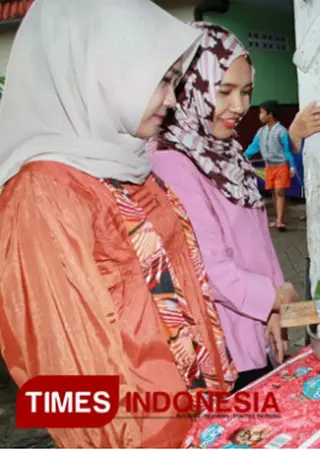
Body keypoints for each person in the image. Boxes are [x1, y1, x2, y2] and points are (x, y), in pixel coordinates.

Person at [0, 0, 238, 447]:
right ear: (99, 71)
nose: (171, 98)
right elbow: (66, 371)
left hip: (198, 417)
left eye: (174, 81)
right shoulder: (42, 194)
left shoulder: (127, 164)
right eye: (162, 80)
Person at [148, 23, 320, 391]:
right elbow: (208, 268)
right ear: (188, 86)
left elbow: (259, 243)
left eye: (246, 92)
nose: (239, 107)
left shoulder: (226, 150)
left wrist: (274, 306)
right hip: (222, 342)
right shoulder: (170, 161)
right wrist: (275, 298)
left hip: (258, 325)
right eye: (224, 91)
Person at [244, 100, 302, 231]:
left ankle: (280, 221)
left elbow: (288, 150)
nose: (260, 115)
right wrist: (242, 157)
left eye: (262, 112)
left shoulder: (282, 132)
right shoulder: (261, 132)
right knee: (274, 193)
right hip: (269, 167)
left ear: (269, 114)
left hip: (282, 166)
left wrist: (292, 167)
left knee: (279, 192)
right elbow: (253, 147)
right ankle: (277, 219)